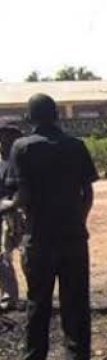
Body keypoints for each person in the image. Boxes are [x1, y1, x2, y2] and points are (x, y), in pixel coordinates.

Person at [0, 94, 98, 360]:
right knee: (76, 304)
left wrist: (8, 206)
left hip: (39, 237)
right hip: (73, 237)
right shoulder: (75, 146)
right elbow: (87, 193)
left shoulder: (22, 148)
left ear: (30, 119)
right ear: (56, 116)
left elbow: (22, 196)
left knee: (38, 301)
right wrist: (79, 220)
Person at [0, 123, 23, 311]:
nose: (3, 142)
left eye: (8, 138)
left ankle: (35, 294)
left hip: (20, 214)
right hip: (3, 215)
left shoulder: (23, 163)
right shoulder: (1, 165)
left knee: (27, 256)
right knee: (3, 256)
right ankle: (10, 296)